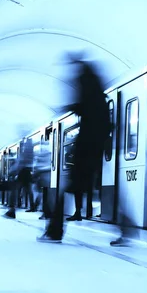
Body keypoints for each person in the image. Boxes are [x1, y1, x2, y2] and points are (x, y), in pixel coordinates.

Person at [37, 52, 112, 243]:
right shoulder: (99, 100)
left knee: (66, 192)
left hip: (86, 150)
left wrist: (69, 106)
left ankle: (55, 232)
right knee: (72, 190)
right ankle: (127, 229)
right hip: (93, 150)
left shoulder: (88, 96)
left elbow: (83, 109)